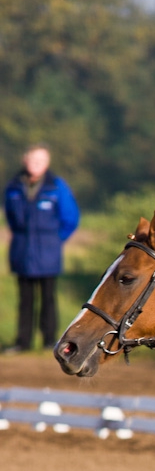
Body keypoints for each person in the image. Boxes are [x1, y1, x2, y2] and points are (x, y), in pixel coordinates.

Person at [4, 144, 80, 352]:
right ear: (24, 160)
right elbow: (11, 218)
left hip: (48, 250)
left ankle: (49, 341)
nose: (35, 165)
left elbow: (70, 218)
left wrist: (56, 240)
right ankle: (23, 342)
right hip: (22, 250)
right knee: (25, 300)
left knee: (48, 298)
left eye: (40, 161)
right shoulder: (14, 186)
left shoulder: (56, 186)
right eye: (32, 160)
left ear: (46, 164)